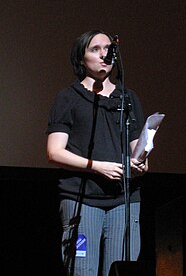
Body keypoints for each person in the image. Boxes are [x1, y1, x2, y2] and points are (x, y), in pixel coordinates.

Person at [46, 29, 148, 276]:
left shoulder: (128, 98)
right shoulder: (69, 97)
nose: (104, 54)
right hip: (82, 198)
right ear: (81, 59)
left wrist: (141, 163)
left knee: (121, 269)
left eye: (108, 49)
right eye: (95, 49)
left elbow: (138, 150)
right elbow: (54, 151)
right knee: (83, 270)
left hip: (123, 200)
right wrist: (97, 166)